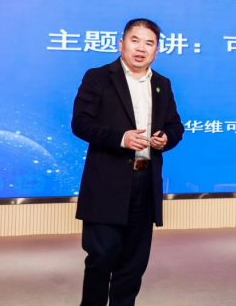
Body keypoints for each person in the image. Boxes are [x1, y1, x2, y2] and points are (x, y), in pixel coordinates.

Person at [72, 18, 184, 306]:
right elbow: (80, 123)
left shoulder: (162, 84)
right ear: (121, 44)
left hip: (145, 183)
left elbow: (175, 126)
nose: (141, 48)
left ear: (156, 51)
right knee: (101, 256)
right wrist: (121, 138)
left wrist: (165, 138)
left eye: (149, 43)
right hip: (107, 183)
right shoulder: (98, 77)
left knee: (134, 261)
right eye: (135, 41)